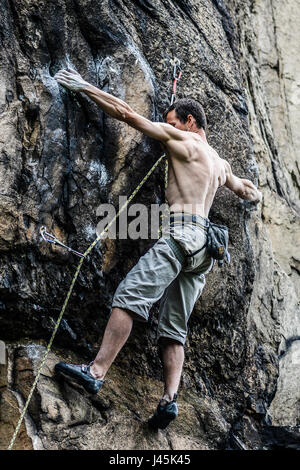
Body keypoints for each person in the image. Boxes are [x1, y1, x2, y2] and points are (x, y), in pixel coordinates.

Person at [54, 68, 262, 430]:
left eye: (172, 122)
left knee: (130, 296)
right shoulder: (220, 162)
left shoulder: (183, 141)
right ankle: (169, 400)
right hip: (204, 253)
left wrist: (84, 86)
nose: (167, 128)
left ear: (189, 120)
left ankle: (96, 370)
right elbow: (246, 190)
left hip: (181, 236)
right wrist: (256, 195)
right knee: (174, 329)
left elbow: (127, 115)